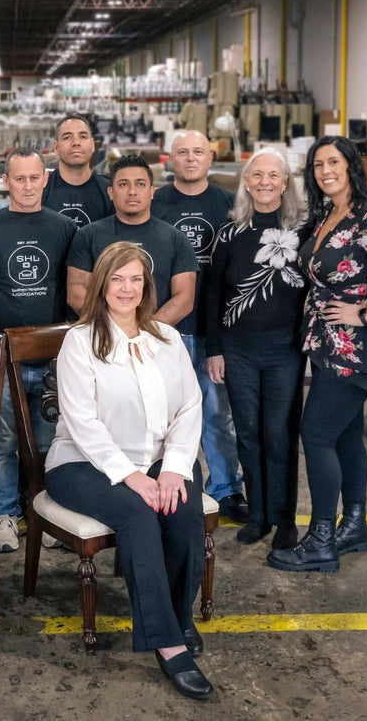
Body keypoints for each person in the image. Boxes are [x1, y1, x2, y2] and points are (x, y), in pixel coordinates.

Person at [44, 241, 213, 701]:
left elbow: (189, 406)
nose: (126, 288)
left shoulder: (166, 337)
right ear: (101, 284)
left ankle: (178, 613)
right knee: (139, 513)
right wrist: (131, 476)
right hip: (83, 462)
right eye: (117, 278)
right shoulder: (80, 342)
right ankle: (170, 644)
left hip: (158, 457)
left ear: (146, 285)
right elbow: (82, 422)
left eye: (135, 279)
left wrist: (176, 468)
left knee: (182, 508)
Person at [267, 135, 367, 573]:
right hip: (326, 342)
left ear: (351, 165)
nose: (325, 171)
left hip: (354, 348)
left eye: (333, 162)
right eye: (317, 165)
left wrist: (366, 314)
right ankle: (353, 526)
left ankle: (320, 539)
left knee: (315, 435)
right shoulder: (327, 215)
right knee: (346, 436)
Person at [0, 146, 78, 552]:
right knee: (2, 442)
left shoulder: (64, 228)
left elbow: (70, 292)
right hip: (4, 359)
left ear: (44, 179)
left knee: (53, 442)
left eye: (35, 178)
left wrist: (70, 351)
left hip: (53, 359)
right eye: (20, 178)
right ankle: (5, 517)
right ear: (6, 181)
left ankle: (49, 516)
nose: (28, 185)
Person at [205, 149, 309, 551]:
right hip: (238, 349)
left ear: (286, 183)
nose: (265, 182)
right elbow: (213, 293)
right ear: (246, 182)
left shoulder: (304, 232)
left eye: (274, 175)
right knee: (247, 433)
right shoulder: (229, 233)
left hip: (285, 349)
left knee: (280, 434)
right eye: (257, 175)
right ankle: (260, 514)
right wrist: (215, 348)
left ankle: (285, 519)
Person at [152, 130, 245, 523]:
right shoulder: (154, 202)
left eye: (198, 152)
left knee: (215, 416)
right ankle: (156, 484)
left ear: (211, 157)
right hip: (163, 328)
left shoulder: (229, 205)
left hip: (212, 331)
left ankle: (226, 489)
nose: (191, 159)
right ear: (169, 159)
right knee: (156, 416)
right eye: (182, 153)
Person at [67, 155, 198, 348]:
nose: (132, 191)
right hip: (104, 339)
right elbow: (76, 291)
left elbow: (184, 299)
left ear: (153, 191)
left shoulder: (176, 239)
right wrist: (115, 329)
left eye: (140, 184)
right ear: (110, 192)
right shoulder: (88, 236)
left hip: (159, 340)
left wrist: (145, 331)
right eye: (123, 184)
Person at [41, 114, 112, 228]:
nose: (76, 143)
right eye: (67, 137)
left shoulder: (110, 191)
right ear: (56, 147)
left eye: (83, 137)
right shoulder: (40, 189)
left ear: (93, 145)